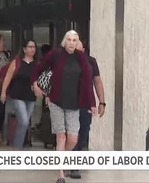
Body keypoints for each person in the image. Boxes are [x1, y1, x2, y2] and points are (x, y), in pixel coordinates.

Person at [31, 30, 96, 183]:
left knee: (73, 138)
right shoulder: (55, 55)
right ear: (64, 41)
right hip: (56, 101)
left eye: (75, 40)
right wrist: (35, 84)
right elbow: (38, 68)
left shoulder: (81, 58)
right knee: (61, 136)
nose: (72, 43)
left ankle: (60, 160)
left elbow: (87, 82)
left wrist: (92, 103)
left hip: (74, 103)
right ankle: (60, 173)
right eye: (69, 40)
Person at [66, 41, 105, 179]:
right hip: (68, 103)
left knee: (83, 131)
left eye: (78, 45)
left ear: (83, 48)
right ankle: (73, 166)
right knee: (71, 132)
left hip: (86, 103)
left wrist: (102, 102)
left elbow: (97, 81)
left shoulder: (91, 61)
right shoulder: (64, 60)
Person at [1, 39, 38, 149]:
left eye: (34, 47)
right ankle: (17, 148)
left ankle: (18, 145)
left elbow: (40, 79)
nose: (32, 49)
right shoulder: (17, 62)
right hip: (17, 96)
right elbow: (8, 77)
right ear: (24, 49)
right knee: (24, 121)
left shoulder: (37, 63)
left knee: (25, 123)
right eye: (30, 47)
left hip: (31, 97)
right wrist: (3, 92)